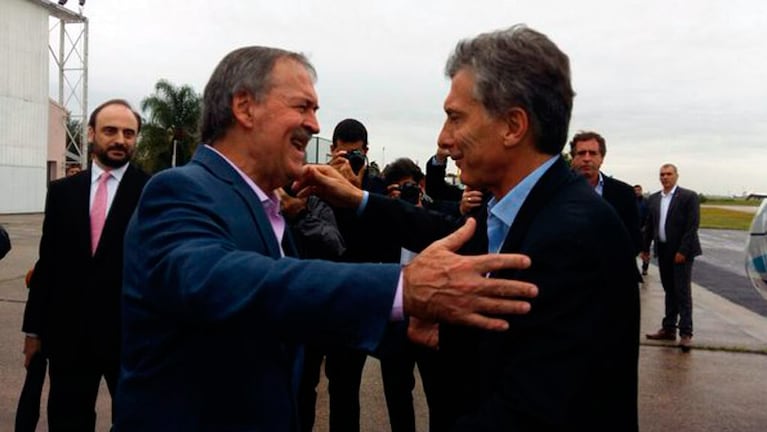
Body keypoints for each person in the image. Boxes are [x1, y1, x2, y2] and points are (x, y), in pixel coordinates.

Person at [114, 46, 539, 432]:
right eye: (302, 106)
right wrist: (402, 288)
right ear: (244, 106)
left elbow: (283, 314)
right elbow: (224, 281)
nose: (314, 124)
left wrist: (407, 325)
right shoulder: (180, 190)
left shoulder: (264, 205)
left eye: (315, 110)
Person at [298, 24, 640, 431]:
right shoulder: (505, 209)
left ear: (513, 126)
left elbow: (530, 411)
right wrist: (356, 200)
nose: (445, 140)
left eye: (455, 118)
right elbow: (437, 228)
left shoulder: (574, 238)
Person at [21, 99, 150, 430]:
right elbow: (47, 263)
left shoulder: (153, 191)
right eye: (110, 130)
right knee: (67, 421)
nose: (120, 139)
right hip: (69, 337)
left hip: (130, 339)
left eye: (129, 133)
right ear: (91, 134)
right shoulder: (62, 192)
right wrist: (34, 330)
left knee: (137, 421)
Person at [642, 163, 702, 352]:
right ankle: (668, 328)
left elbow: (692, 226)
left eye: (669, 174)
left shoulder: (688, 197)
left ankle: (685, 332)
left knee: (682, 292)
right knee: (669, 290)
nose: (665, 177)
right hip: (664, 250)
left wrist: (683, 251)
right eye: (662, 174)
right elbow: (650, 225)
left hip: (682, 252)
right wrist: (645, 248)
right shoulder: (653, 199)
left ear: (676, 176)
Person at [569, 131, 642, 255]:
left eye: (592, 153)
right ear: (573, 158)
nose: (587, 158)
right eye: (581, 153)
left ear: (601, 158)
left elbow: (634, 240)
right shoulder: (554, 191)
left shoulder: (624, 193)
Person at [635, 184, 650, 276]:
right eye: (635, 190)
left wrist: (646, 227)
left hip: (644, 230)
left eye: (638, 190)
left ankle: (645, 268)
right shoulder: (630, 201)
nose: (636, 192)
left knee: (645, 251)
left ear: (641, 191)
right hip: (634, 230)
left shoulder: (646, 202)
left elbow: (649, 215)